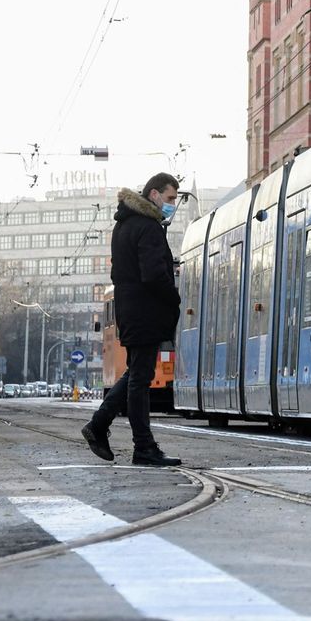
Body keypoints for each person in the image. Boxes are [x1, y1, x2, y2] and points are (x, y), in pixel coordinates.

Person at [81, 173, 182, 467]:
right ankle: (143, 447)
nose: (172, 204)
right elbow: (153, 274)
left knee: (137, 374)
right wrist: (173, 297)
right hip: (146, 311)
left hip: (131, 311)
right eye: (170, 198)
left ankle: (99, 426)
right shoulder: (148, 227)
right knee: (140, 379)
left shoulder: (125, 224)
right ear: (154, 194)